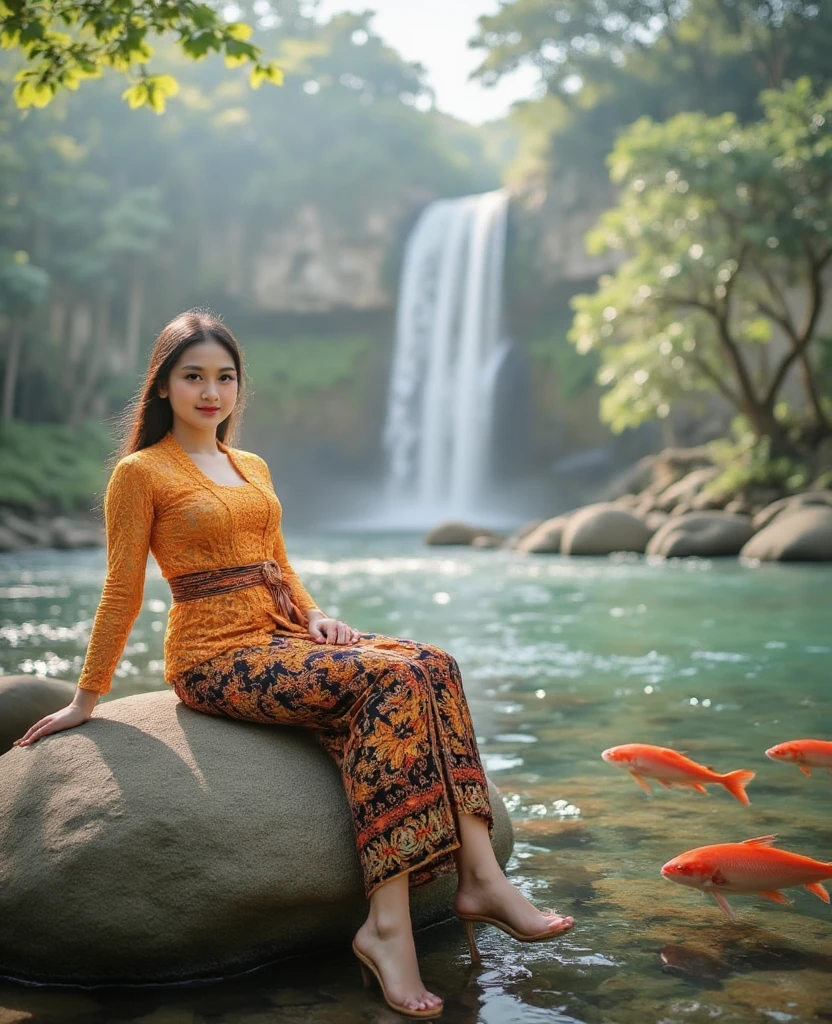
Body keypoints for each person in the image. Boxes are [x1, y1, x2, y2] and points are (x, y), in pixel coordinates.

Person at [14, 309, 573, 1018]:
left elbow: (278, 564)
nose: (211, 391)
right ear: (163, 387)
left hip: (281, 636)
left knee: (435, 663)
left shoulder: (252, 466)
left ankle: (483, 878)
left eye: (225, 377)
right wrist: (87, 697)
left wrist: (314, 616)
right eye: (194, 377)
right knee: (391, 680)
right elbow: (122, 590)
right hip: (214, 656)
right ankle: (388, 925)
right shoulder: (141, 473)